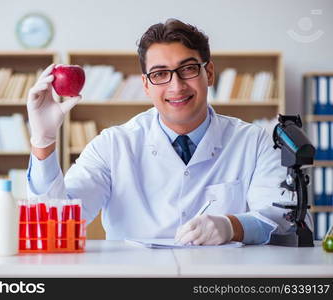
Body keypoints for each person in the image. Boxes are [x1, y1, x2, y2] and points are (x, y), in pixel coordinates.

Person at [26, 18, 312, 245]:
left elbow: (287, 221)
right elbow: (56, 223)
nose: (176, 86)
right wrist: (43, 141)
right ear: (146, 84)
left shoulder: (254, 141)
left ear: (209, 73)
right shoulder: (113, 145)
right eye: (160, 74)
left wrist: (233, 226)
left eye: (187, 69)